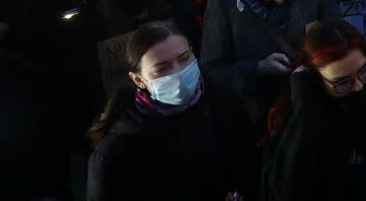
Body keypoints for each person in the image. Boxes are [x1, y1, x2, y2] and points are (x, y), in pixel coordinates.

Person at [86, 21, 252, 200]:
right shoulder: (115, 153)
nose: (178, 72)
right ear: (139, 80)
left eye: (184, 58)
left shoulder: (224, 102)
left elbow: (249, 160)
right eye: (162, 68)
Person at [261, 19, 366, 201]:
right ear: (315, 79)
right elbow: (283, 191)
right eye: (342, 82)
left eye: (363, 70)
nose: (358, 86)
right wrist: (304, 115)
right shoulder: (296, 113)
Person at [200, 0, 340, 129]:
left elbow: (336, 34)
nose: (281, 0)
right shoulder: (223, 1)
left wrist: (314, 60)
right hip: (259, 114)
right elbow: (211, 70)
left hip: (313, 102)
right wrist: (258, 67)